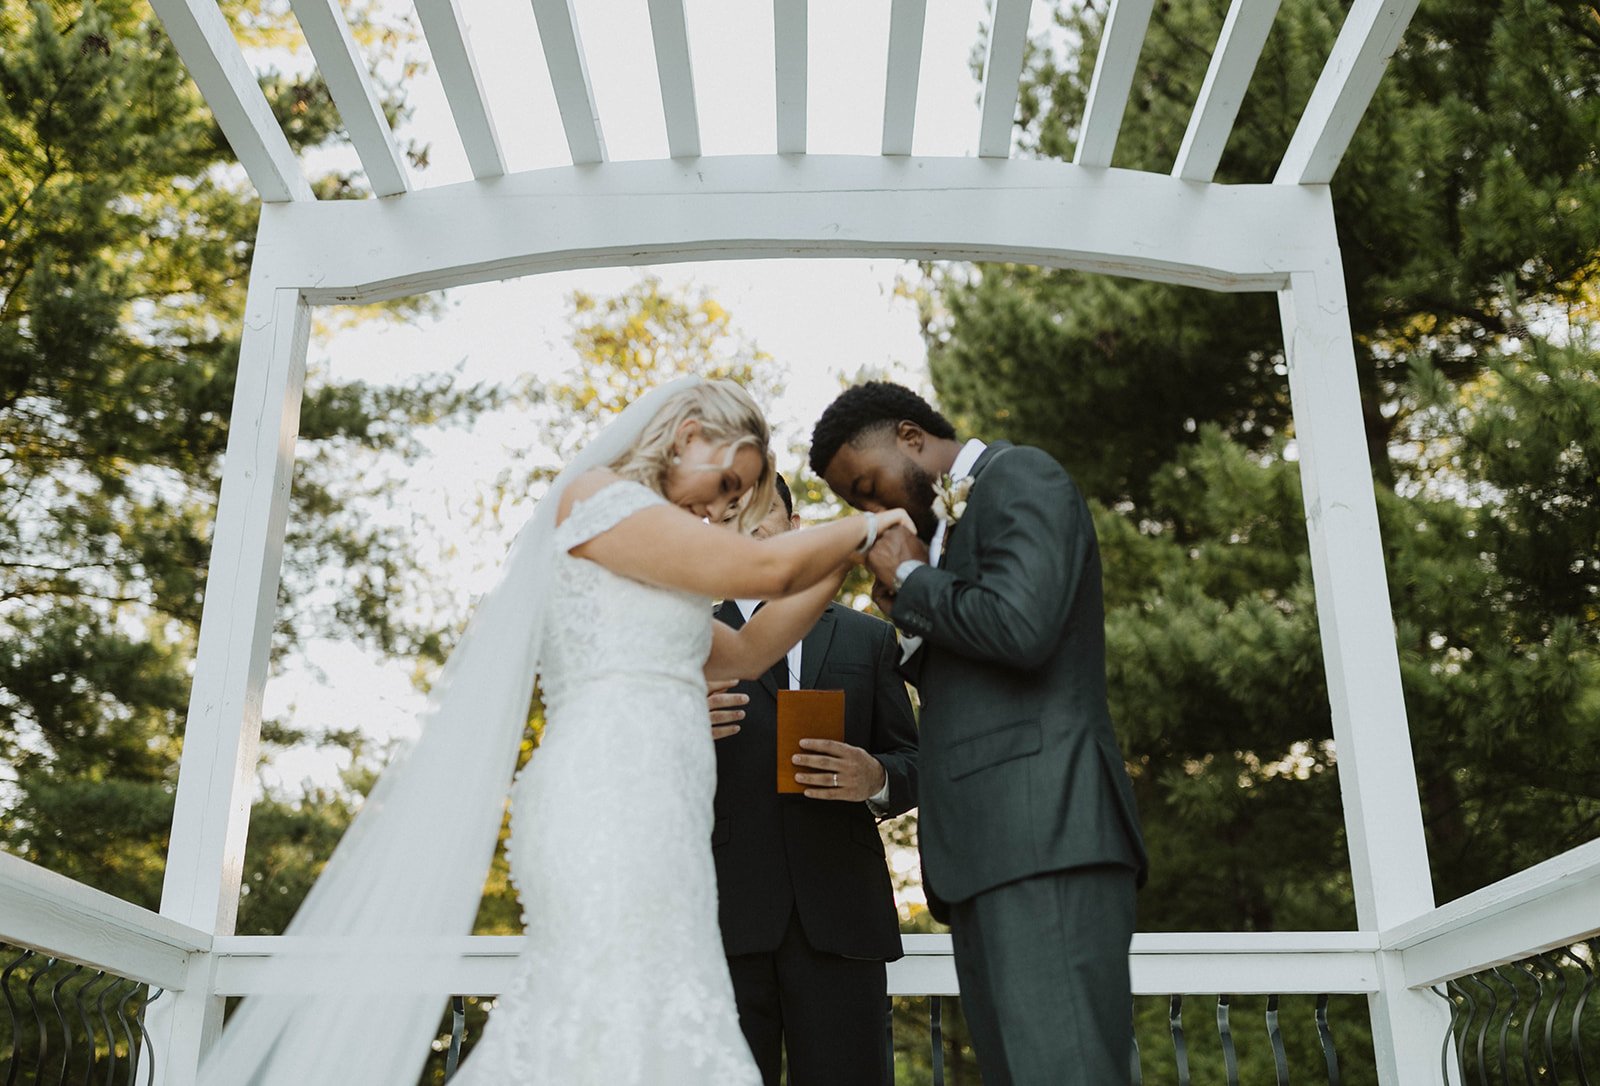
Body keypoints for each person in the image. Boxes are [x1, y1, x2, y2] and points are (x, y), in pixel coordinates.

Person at [198, 378, 915, 1086]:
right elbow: (759, 565)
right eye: (728, 481)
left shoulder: (656, 554)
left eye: (738, 497)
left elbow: (749, 652)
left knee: (648, 1016)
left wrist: (846, 561)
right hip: (603, 790)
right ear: (688, 432)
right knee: (598, 1002)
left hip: (668, 810)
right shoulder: (598, 498)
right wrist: (873, 521)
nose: (723, 505)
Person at [809, 381, 1148, 1086]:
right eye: (858, 505)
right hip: (987, 852)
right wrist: (908, 609)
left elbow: (1024, 628)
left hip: (1043, 835)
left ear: (911, 436)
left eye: (870, 488)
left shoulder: (1019, 476)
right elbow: (976, 680)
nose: (873, 514)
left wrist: (910, 577)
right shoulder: (942, 539)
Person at [706, 474, 918, 1086]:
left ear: (795, 529)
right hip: (719, 918)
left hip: (841, 918)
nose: (744, 531)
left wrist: (876, 776)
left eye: (759, 517)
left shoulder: (869, 638)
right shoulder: (677, 645)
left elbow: (917, 760)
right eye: (727, 520)